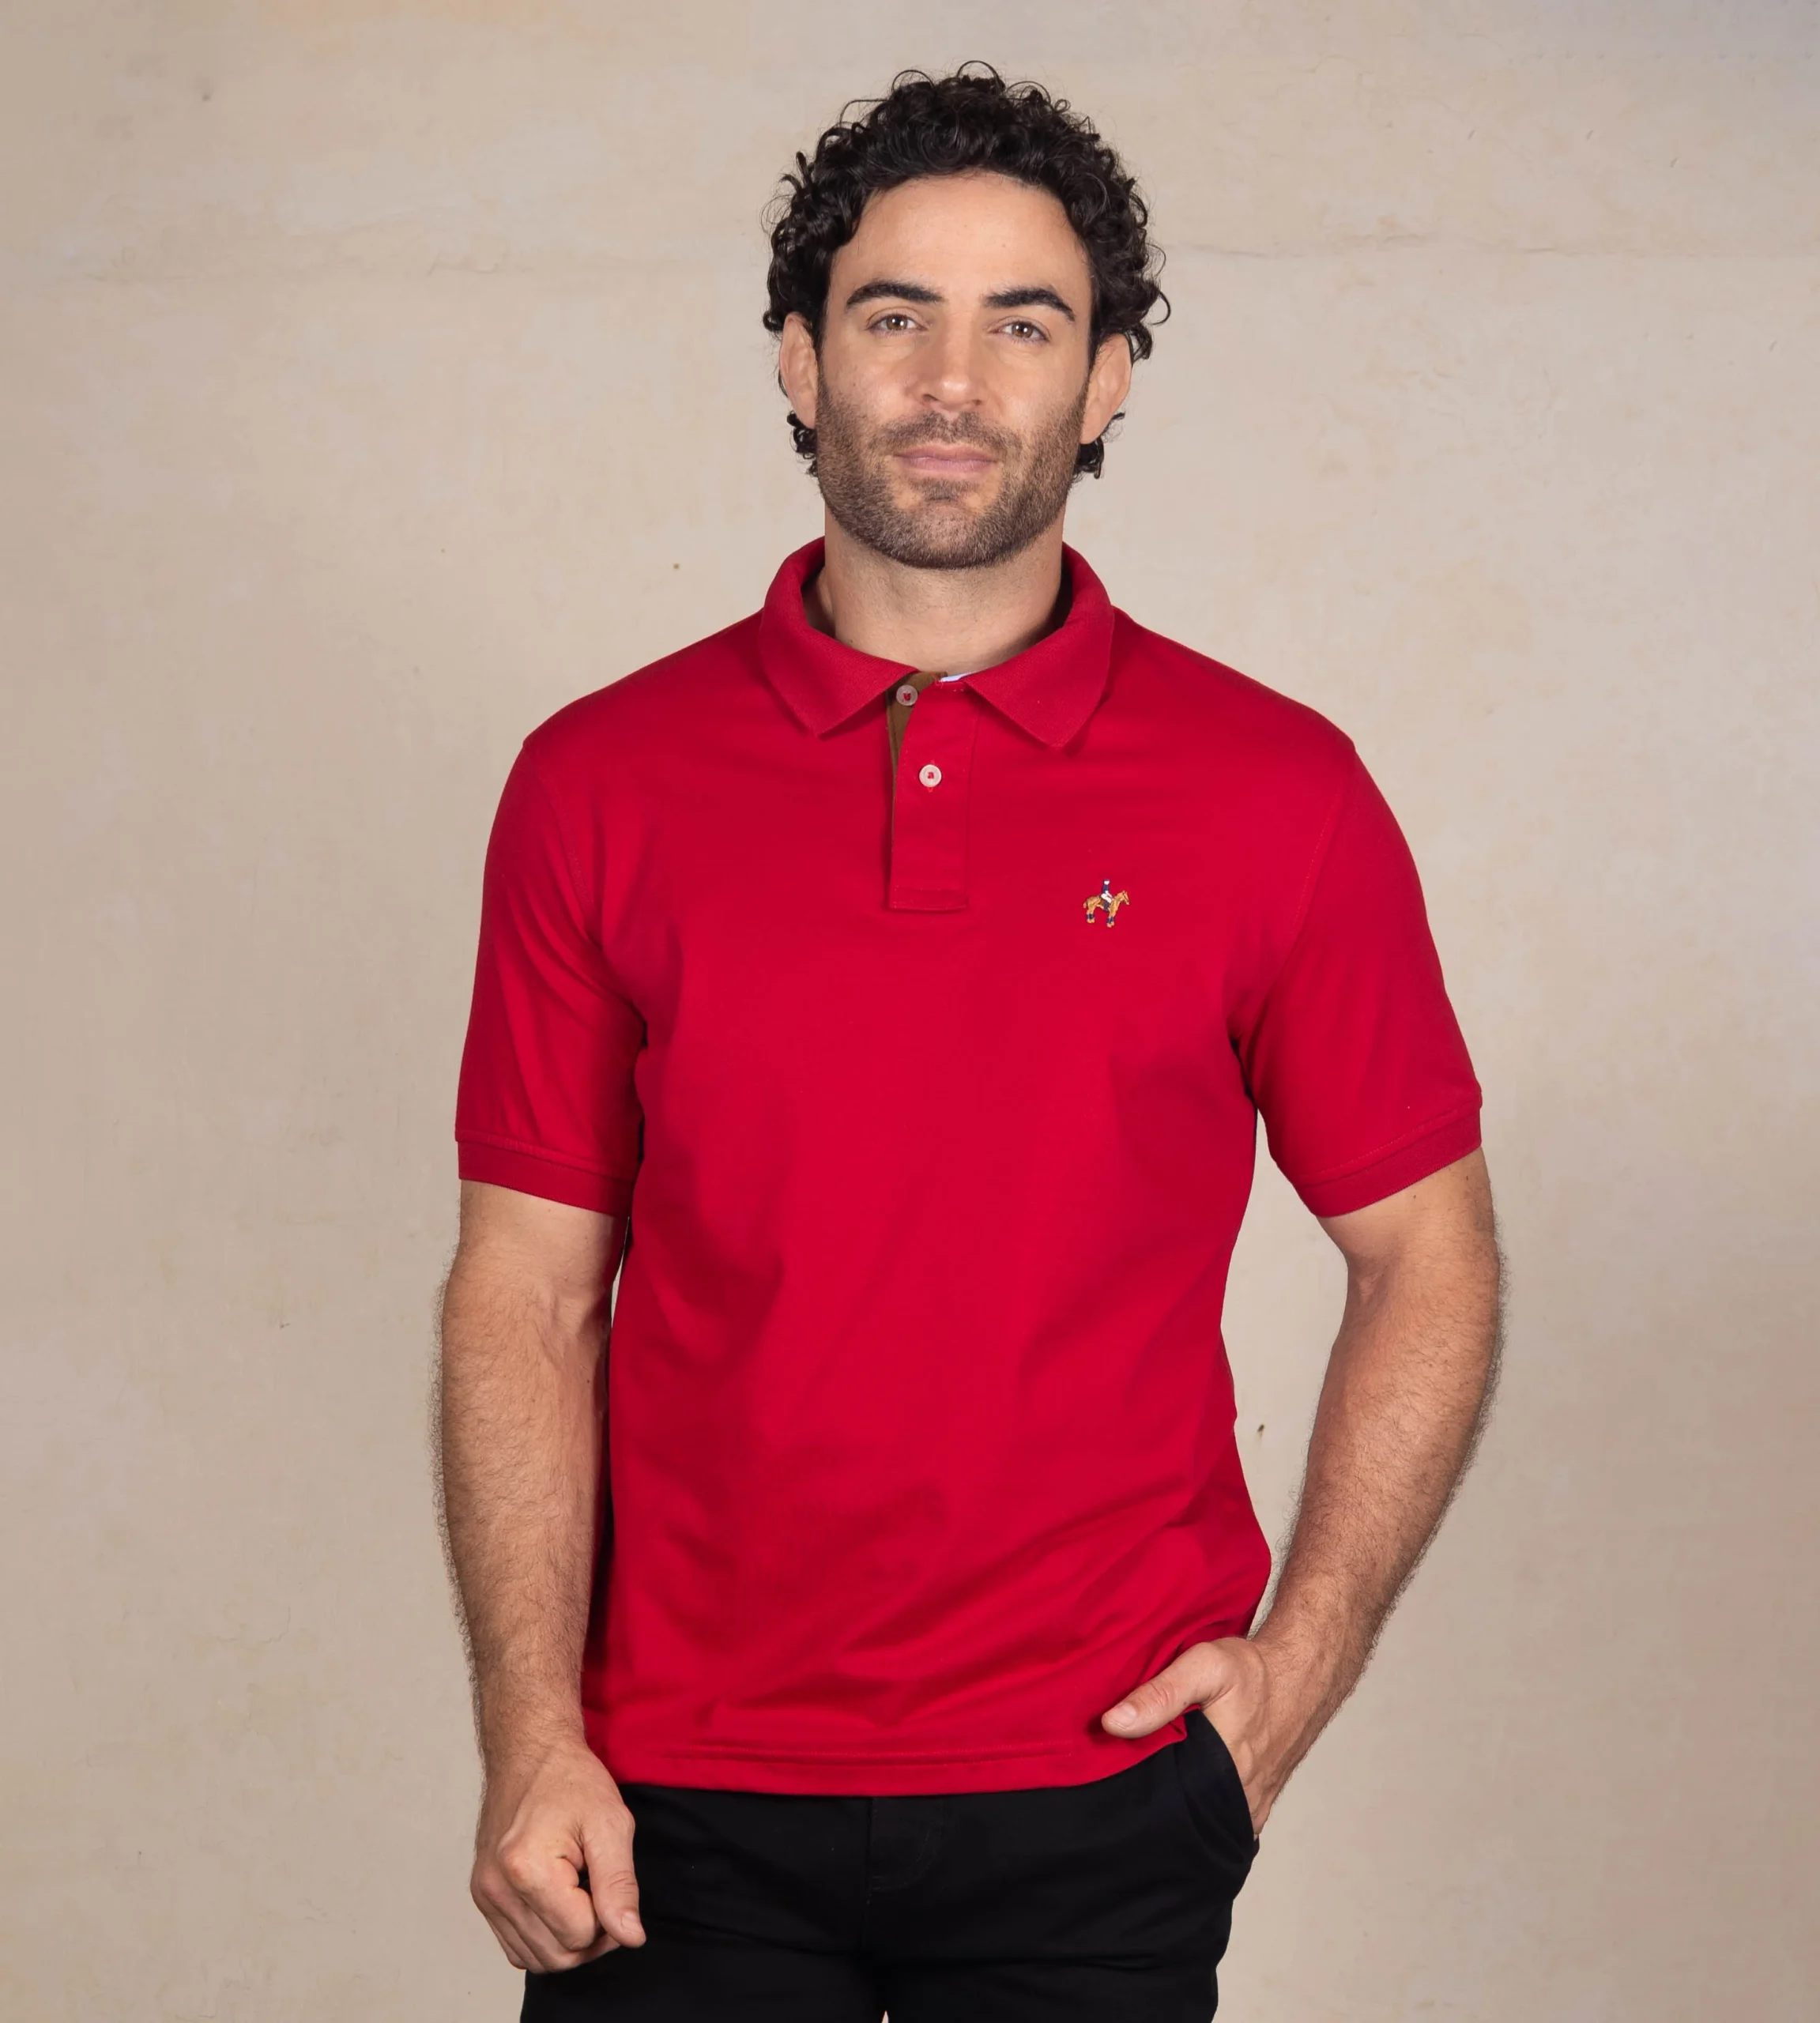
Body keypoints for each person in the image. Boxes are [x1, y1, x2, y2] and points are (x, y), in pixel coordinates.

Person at [435, 64, 1502, 2023]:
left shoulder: (1275, 793)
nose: (950, 379)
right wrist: (529, 1731)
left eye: (1022, 323)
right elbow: (526, 1285)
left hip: (1101, 1782)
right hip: (670, 1794)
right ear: (796, 358)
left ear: (1104, 382)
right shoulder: (597, 781)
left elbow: (1423, 1248)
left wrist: (1297, 1668)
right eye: (890, 314)